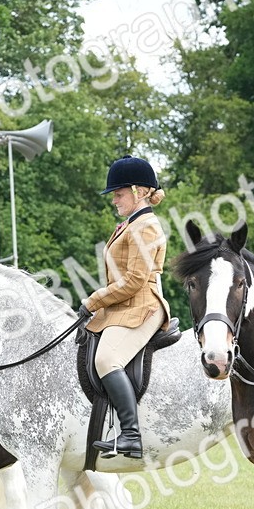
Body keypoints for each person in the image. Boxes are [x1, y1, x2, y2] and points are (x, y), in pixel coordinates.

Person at [78, 156, 169, 460]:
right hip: (122, 306)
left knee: (106, 359)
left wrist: (94, 300)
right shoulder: (132, 224)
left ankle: (130, 434)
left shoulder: (145, 227)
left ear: (139, 191)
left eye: (118, 194)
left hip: (142, 304)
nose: (114, 200)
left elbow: (133, 281)